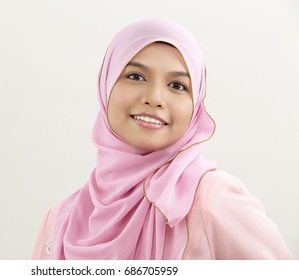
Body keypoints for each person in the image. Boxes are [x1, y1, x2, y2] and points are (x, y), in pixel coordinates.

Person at [32, 19, 293, 260]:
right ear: (106, 84)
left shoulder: (212, 201)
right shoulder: (59, 221)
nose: (155, 97)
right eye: (136, 77)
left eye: (177, 85)